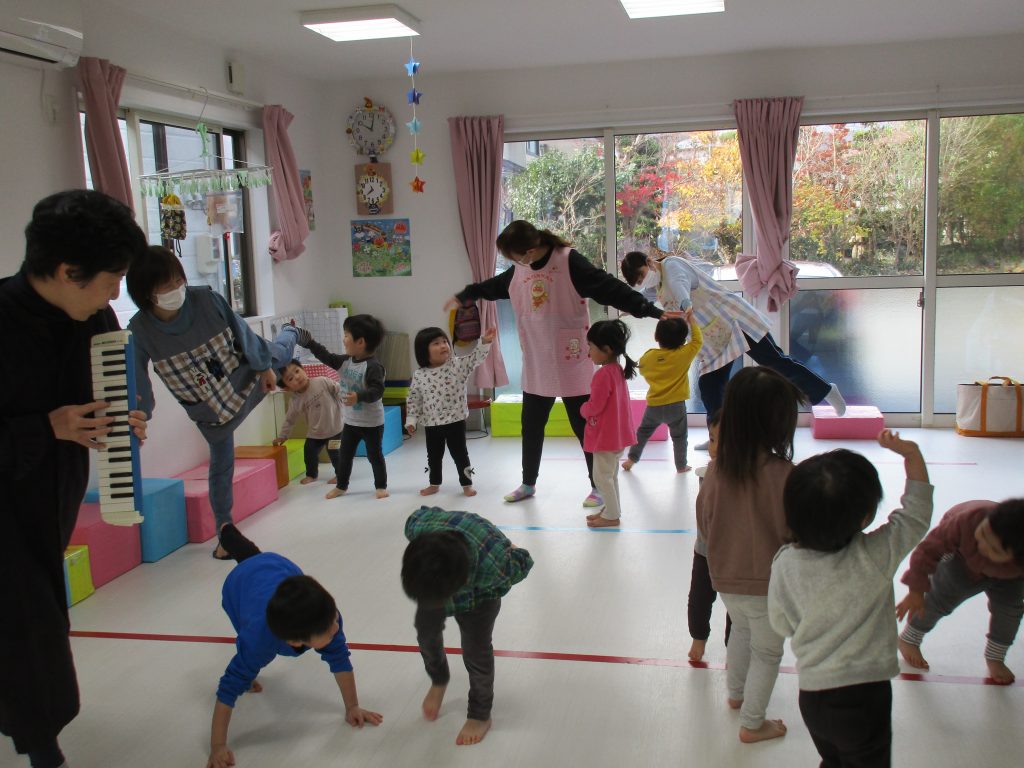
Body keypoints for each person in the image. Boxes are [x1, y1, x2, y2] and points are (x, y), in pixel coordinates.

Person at [0, 189, 149, 768]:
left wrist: (121, 420)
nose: (115, 294)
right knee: (29, 631)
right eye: (112, 280)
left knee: (37, 623)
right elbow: (53, 423)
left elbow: (101, 401)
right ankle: (44, 750)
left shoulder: (96, 320)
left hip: (51, 500)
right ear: (67, 271)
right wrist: (47, 426)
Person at [445, 220, 673, 508]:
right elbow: (493, 287)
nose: (515, 264)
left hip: (572, 360)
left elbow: (609, 287)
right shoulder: (520, 270)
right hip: (537, 362)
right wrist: (466, 295)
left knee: (585, 428)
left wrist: (651, 310)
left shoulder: (568, 261)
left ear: (529, 250)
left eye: (515, 257)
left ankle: (598, 486)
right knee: (531, 428)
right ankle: (528, 483)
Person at [768, 432, 933, 768]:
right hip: (864, 696)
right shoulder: (876, 554)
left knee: (833, 759)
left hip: (813, 696)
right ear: (865, 518)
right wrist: (912, 455)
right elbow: (915, 515)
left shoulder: (785, 563)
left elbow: (780, 623)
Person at [127, 246, 299, 559]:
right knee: (222, 464)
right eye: (166, 285)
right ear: (146, 293)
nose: (176, 288)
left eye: (178, 280)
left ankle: (291, 331)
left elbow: (241, 330)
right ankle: (225, 532)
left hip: (245, 373)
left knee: (282, 354)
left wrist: (263, 366)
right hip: (211, 407)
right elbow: (138, 384)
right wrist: (139, 418)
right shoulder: (139, 331)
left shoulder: (204, 299)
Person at [619, 251, 846, 439]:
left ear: (649, 262)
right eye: (639, 282)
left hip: (733, 320)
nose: (643, 282)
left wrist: (685, 303)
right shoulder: (657, 284)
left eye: (642, 276)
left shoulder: (672, 265)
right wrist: (627, 306)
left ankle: (826, 390)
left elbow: (680, 285)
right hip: (712, 339)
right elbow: (647, 298)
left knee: (774, 361)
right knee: (710, 387)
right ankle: (719, 438)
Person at [206, 528, 381, 768]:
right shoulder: (259, 640)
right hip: (239, 586)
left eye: (333, 618)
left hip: (278, 566)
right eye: (328, 629)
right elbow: (227, 689)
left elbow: (340, 658)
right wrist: (217, 746)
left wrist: (352, 706)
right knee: (246, 656)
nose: (336, 627)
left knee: (253, 557)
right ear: (295, 642)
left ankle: (230, 536)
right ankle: (228, 534)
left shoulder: (327, 616)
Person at [695, 366, 805, 743]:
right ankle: (753, 723)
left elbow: (704, 524)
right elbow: (796, 533)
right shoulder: (786, 475)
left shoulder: (715, 471)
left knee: (740, 631)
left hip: (725, 578)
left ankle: (736, 694)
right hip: (768, 585)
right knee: (768, 652)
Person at [402, 506, 534, 746]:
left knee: (476, 652)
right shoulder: (417, 528)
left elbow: (523, 562)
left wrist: (511, 548)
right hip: (433, 580)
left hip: (479, 601)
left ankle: (480, 714)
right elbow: (418, 514)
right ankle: (439, 679)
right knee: (426, 636)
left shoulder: (492, 566)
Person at [896, 497, 1024, 684]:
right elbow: (927, 551)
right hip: (961, 555)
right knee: (940, 597)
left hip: (1010, 577)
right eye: (983, 533)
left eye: (994, 549)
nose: (982, 545)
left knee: (1010, 612)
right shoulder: (969, 521)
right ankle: (910, 638)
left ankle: (996, 656)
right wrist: (916, 591)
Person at [294, 315, 389, 499]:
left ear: (360, 342)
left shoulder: (373, 367)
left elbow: (377, 391)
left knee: (374, 455)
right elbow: (326, 356)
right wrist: (310, 343)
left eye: (346, 335)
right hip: (351, 422)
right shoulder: (346, 361)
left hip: (372, 424)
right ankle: (341, 486)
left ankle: (380, 486)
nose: (343, 339)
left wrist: (359, 397)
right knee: (344, 455)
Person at [405, 326, 495, 497]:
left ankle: (467, 484)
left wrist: (484, 342)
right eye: (436, 343)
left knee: (460, 454)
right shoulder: (419, 375)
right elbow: (414, 399)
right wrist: (411, 420)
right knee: (433, 457)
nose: (443, 345)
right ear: (424, 350)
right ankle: (434, 484)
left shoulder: (457, 365)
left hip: (455, 421)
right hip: (432, 424)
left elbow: (475, 358)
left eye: (445, 341)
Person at [622, 311, 703, 473]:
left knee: (642, 433)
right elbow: (697, 341)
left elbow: (643, 369)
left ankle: (631, 459)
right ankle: (681, 466)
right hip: (676, 406)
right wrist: (692, 321)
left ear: (656, 336)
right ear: (683, 340)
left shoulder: (649, 357)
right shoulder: (684, 354)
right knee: (679, 437)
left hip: (654, 406)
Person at [579, 319, 637, 528]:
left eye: (591, 347)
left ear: (607, 349)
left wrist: (583, 409)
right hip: (617, 435)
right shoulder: (616, 370)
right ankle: (612, 510)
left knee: (602, 478)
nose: (589, 353)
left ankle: (612, 516)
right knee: (610, 476)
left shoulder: (603, 374)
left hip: (606, 437)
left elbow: (595, 406)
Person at [688, 411, 731, 661]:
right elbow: (702, 512)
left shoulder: (749, 476)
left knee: (736, 604)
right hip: (705, 550)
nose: (715, 448)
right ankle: (698, 637)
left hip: (735, 554)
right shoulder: (709, 472)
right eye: (712, 440)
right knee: (699, 599)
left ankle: (733, 644)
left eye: (723, 441)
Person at [272, 360, 344, 492]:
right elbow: (289, 420)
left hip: (335, 428)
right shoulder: (295, 401)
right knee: (309, 452)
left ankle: (341, 475)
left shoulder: (322, 381)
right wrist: (283, 436)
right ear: (287, 388)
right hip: (315, 433)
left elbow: (339, 389)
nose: (297, 377)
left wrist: (348, 397)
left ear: (303, 369)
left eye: (297, 371)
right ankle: (311, 474)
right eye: (290, 378)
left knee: (335, 453)